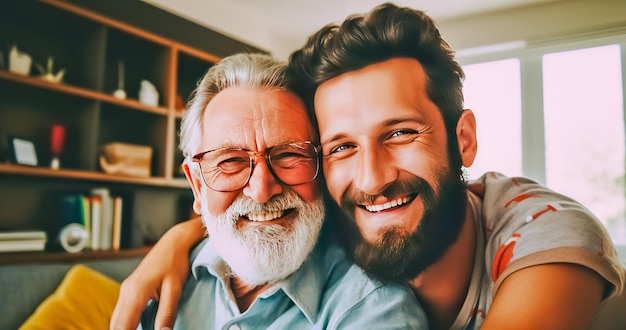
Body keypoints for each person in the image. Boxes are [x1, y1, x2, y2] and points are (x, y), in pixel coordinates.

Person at [112, 3, 625, 330]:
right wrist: (184, 237)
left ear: (463, 139)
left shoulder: (547, 236)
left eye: (400, 133)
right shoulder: (344, 216)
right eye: (340, 148)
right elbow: (260, 204)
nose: (373, 178)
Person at [132, 52, 425, 329]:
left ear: (321, 169)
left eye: (288, 155)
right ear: (197, 185)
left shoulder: (373, 309)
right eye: (231, 161)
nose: (261, 190)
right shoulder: (162, 285)